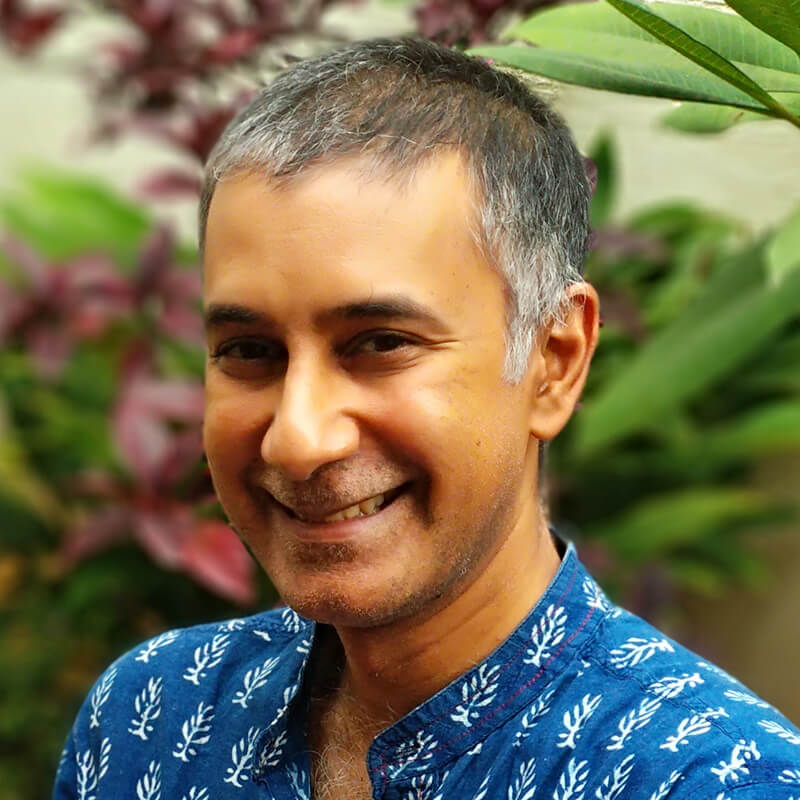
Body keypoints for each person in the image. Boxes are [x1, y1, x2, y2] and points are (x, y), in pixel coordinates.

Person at [54, 37, 800, 800]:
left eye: (381, 344)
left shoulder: (708, 779)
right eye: (250, 351)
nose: (299, 438)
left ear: (554, 360)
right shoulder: (154, 718)